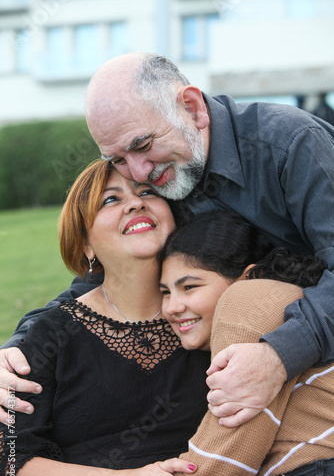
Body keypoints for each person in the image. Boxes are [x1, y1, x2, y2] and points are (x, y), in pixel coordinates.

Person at [1, 52, 334, 429]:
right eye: (117, 159)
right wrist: (19, 347)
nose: (139, 173)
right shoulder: (162, 181)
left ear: (192, 108)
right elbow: (110, 278)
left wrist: (278, 355)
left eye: (142, 145)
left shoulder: (292, 145)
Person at [0, 159, 212, 476]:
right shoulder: (48, 337)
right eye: (111, 199)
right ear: (86, 245)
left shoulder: (214, 316)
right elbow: (7, 465)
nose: (136, 202)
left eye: (148, 192)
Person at [159, 211, 334, 476]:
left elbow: (225, 462)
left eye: (189, 287)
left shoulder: (247, 299)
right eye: (165, 292)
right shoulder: (289, 305)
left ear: (249, 275)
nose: (172, 307)